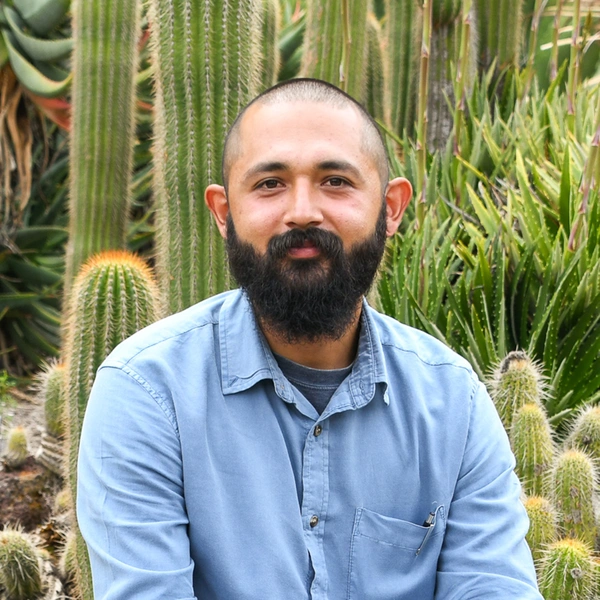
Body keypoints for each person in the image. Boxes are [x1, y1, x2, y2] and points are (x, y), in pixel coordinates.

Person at [77, 78, 542, 600]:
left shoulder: (454, 404)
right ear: (224, 212)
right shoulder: (147, 393)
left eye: (336, 181)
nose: (302, 210)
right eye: (270, 183)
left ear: (391, 208)